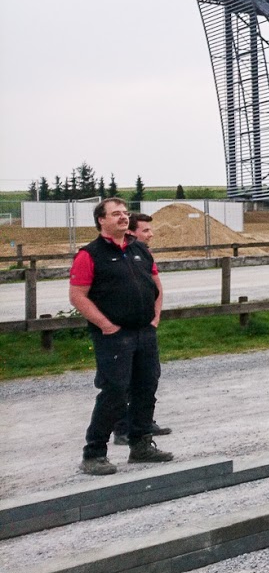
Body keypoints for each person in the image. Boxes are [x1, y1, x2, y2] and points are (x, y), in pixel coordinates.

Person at [70, 198, 174, 475]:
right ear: (101, 220)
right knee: (114, 392)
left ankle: (140, 445)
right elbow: (77, 296)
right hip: (114, 337)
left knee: (146, 387)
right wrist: (105, 325)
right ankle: (94, 453)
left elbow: (156, 285)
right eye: (115, 214)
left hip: (144, 332)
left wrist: (155, 317)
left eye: (125, 213)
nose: (123, 218)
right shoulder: (89, 255)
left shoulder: (139, 248)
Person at [113, 212, 172, 445]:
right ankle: (122, 428)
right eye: (145, 230)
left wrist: (155, 317)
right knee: (123, 380)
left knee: (149, 377)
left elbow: (157, 287)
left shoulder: (143, 254)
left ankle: (143, 422)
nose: (151, 234)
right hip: (122, 330)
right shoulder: (118, 255)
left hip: (146, 327)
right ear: (131, 232)